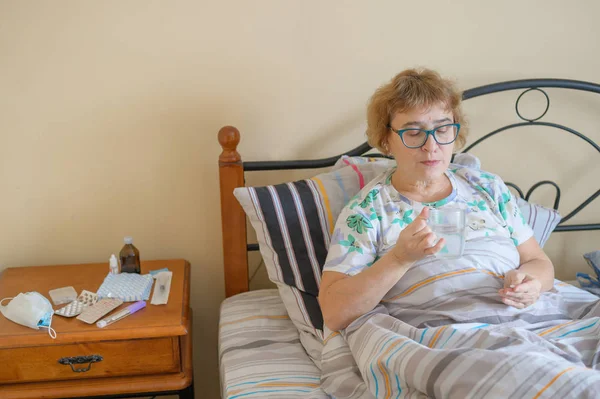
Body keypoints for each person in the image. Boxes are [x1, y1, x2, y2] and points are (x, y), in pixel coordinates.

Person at [318, 68, 555, 332]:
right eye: (414, 132)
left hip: (528, 324)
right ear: (386, 141)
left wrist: (530, 283)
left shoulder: (488, 188)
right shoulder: (366, 213)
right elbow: (334, 312)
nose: (431, 146)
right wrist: (399, 258)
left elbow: (539, 262)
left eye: (442, 129)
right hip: (439, 335)